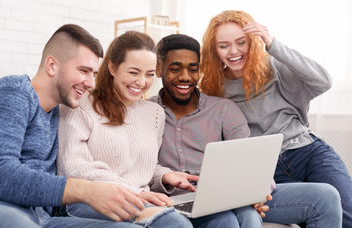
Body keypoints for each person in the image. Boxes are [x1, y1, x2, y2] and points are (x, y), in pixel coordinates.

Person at [149, 33, 343, 228]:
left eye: (193, 69)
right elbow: (137, 165)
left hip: (228, 194)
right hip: (174, 200)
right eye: (175, 69)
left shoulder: (223, 109)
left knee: (327, 196)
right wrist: (164, 176)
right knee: (234, 219)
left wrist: (257, 192)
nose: (185, 77)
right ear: (158, 69)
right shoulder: (146, 113)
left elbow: (250, 160)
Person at [199, 10, 350, 226]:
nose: (233, 51)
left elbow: (323, 82)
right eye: (224, 46)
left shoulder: (272, 67)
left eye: (241, 42)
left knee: (347, 214)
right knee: (318, 205)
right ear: (214, 50)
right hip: (265, 169)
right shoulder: (212, 89)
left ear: (253, 41)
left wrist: (273, 44)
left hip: (307, 151)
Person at [0, 24, 152, 228]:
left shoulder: (60, 110)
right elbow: (3, 172)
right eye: (83, 71)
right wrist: (85, 190)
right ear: (52, 66)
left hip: (44, 216)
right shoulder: (16, 92)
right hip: (10, 210)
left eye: (94, 74)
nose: (91, 83)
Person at [57, 30, 194, 228]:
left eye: (149, 74)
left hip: (139, 199)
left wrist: (164, 176)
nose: (142, 82)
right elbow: (74, 167)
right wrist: (136, 193)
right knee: (175, 224)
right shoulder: (81, 103)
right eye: (133, 72)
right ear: (112, 67)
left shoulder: (154, 113)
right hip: (89, 200)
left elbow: (140, 165)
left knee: (219, 218)